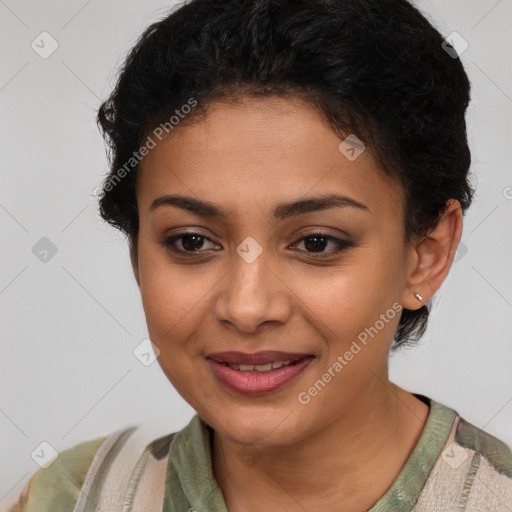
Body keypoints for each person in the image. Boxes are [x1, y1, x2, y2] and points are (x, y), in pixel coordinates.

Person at [6, 0, 512, 510]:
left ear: (426, 253)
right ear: (137, 251)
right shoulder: (67, 498)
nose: (247, 308)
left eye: (317, 242)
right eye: (191, 241)